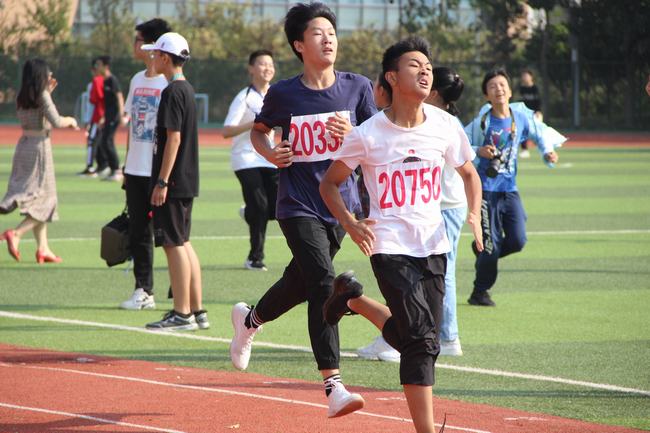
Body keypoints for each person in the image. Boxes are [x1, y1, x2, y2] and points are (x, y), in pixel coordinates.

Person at [319, 36, 483, 433]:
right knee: (421, 341)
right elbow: (329, 184)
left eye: (428, 66)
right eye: (414, 65)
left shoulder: (445, 125)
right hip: (389, 244)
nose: (425, 71)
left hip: (434, 244)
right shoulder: (368, 133)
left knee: (422, 339)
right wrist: (350, 222)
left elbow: (469, 173)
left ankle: (352, 300)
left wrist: (474, 214)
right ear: (392, 77)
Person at [229, 2, 376, 418]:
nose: (328, 39)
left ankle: (250, 320)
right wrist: (270, 153)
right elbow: (260, 132)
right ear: (299, 45)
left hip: (340, 208)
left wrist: (355, 133)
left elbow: (378, 142)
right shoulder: (284, 93)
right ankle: (333, 385)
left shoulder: (358, 88)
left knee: (301, 281)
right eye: (317, 33)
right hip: (296, 204)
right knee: (323, 282)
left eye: (332, 32)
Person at [464, 68, 558, 307]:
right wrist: (478, 150)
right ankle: (479, 292)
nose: (499, 89)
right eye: (493, 86)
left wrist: (548, 152)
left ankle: (484, 252)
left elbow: (540, 135)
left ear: (510, 91)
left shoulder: (520, 118)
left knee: (518, 240)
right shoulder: (482, 122)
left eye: (502, 85)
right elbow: (460, 143)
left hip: (510, 189)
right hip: (485, 190)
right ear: (486, 95)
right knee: (491, 246)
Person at [141, 32, 208, 331]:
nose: (152, 58)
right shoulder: (187, 89)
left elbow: (174, 138)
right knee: (183, 242)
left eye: (155, 54)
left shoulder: (172, 92)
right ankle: (196, 309)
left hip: (174, 182)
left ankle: (182, 314)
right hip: (186, 180)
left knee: (172, 244)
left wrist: (162, 181)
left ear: (165, 58)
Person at [0, 58, 78, 263]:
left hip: (24, 145)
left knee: (40, 197)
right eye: (47, 73)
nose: (50, 76)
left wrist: (47, 93)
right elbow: (56, 121)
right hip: (40, 148)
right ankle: (16, 233)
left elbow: (37, 112)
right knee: (47, 200)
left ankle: (43, 248)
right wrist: (71, 120)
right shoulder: (42, 95)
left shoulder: (22, 95)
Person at [119, 18, 172, 311]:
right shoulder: (136, 80)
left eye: (138, 39)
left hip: (159, 171)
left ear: (152, 46)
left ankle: (180, 290)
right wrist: (127, 165)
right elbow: (131, 127)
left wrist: (165, 177)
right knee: (139, 232)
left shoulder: (168, 83)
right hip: (136, 169)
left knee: (170, 234)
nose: (134, 45)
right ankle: (144, 290)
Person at [222, 49, 279, 272]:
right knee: (261, 207)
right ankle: (255, 258)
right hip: (245, 158)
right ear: (251, 69)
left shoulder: (276, 95)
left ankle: (249, 212)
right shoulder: (244, 97)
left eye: (270, 64)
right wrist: (254, 123)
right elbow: (227, 131)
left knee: (278, 206)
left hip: (268, 156)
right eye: (262, 64)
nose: (267, 68)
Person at [94, 55, 124, 181]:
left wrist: (121, 115)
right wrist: (103, 117)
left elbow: (119, 97)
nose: (96, 67)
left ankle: (116, 169)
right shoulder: (105, 81)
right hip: (108, 117)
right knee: (104, 141)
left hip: (114, 117)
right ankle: (112, 169)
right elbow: (107, 103)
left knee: (107, 140)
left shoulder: (112, 80)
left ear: (105, 66)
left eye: (99, 64)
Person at [78, 58, 105, 177]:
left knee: (92, 141)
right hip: (97, 116)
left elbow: (95, 101)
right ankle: (102, 165)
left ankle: (90, 167)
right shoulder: (99, 82)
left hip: (97, 117)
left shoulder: (97, 81)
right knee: (99, 141)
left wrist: (90, 119)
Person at [517, 69, 541, 159]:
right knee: (523, 131)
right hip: (524, 114)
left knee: (537, 131)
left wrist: (538, 111)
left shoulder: (535, 88)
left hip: (534, 113)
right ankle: (525, 150)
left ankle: (542, 147)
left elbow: (538, 101)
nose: (525, 77)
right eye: (523, 76)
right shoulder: (521, 89)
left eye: (526, 75)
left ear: (531, 77)